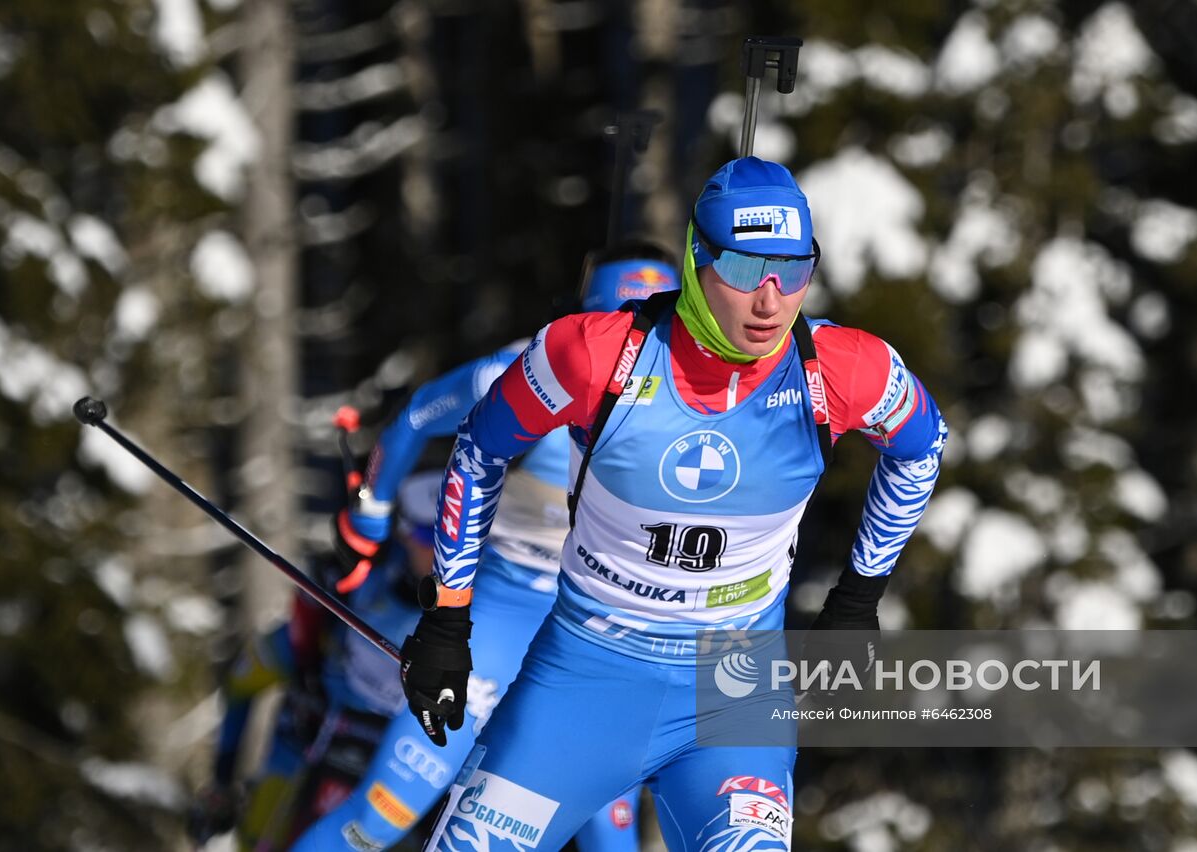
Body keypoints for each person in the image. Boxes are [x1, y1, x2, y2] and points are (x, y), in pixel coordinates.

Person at [402, 156, 949, 851]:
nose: (770, 300)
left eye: (795, 271)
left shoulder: (843, 369)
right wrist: (448, 620)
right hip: (584, 680)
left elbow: (921, 450)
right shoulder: (593, 355)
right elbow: (479, 450)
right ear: (697, 260)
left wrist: (857, 598)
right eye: (747, 270)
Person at [296, 242, 681, 851]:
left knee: (611, 841)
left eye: (652, 331)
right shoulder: (541, 365)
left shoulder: (712, 399)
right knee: (374, 821)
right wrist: (366, 525)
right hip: (492, 630)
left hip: (604, 643)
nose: (627, 353)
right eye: (610, 329)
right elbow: (419, 415)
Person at [191, 475, 451, 850]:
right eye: (429, 539)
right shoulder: (360, 587)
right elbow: (245, 678)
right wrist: (222, 779)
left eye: (461, 545)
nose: (444, 557)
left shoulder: (486, 609)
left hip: (400, 780)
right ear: (407, 532)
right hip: (308, 760)